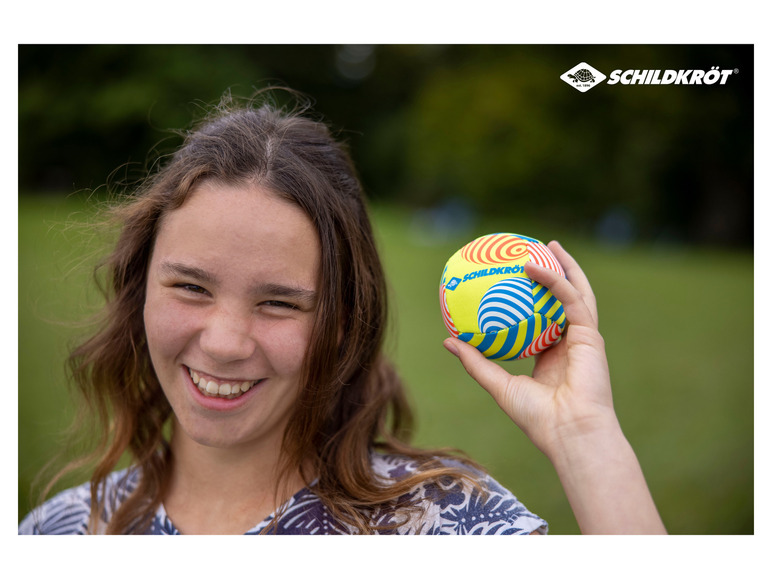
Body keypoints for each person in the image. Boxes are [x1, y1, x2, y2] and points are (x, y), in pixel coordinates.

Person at [19, 92, 666, 535]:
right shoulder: (64, 531)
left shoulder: (441, 522)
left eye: (278, 302)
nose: (222, 341)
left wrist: (586, 438)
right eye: (190, 287)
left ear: (344, 320)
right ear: (140, 290)